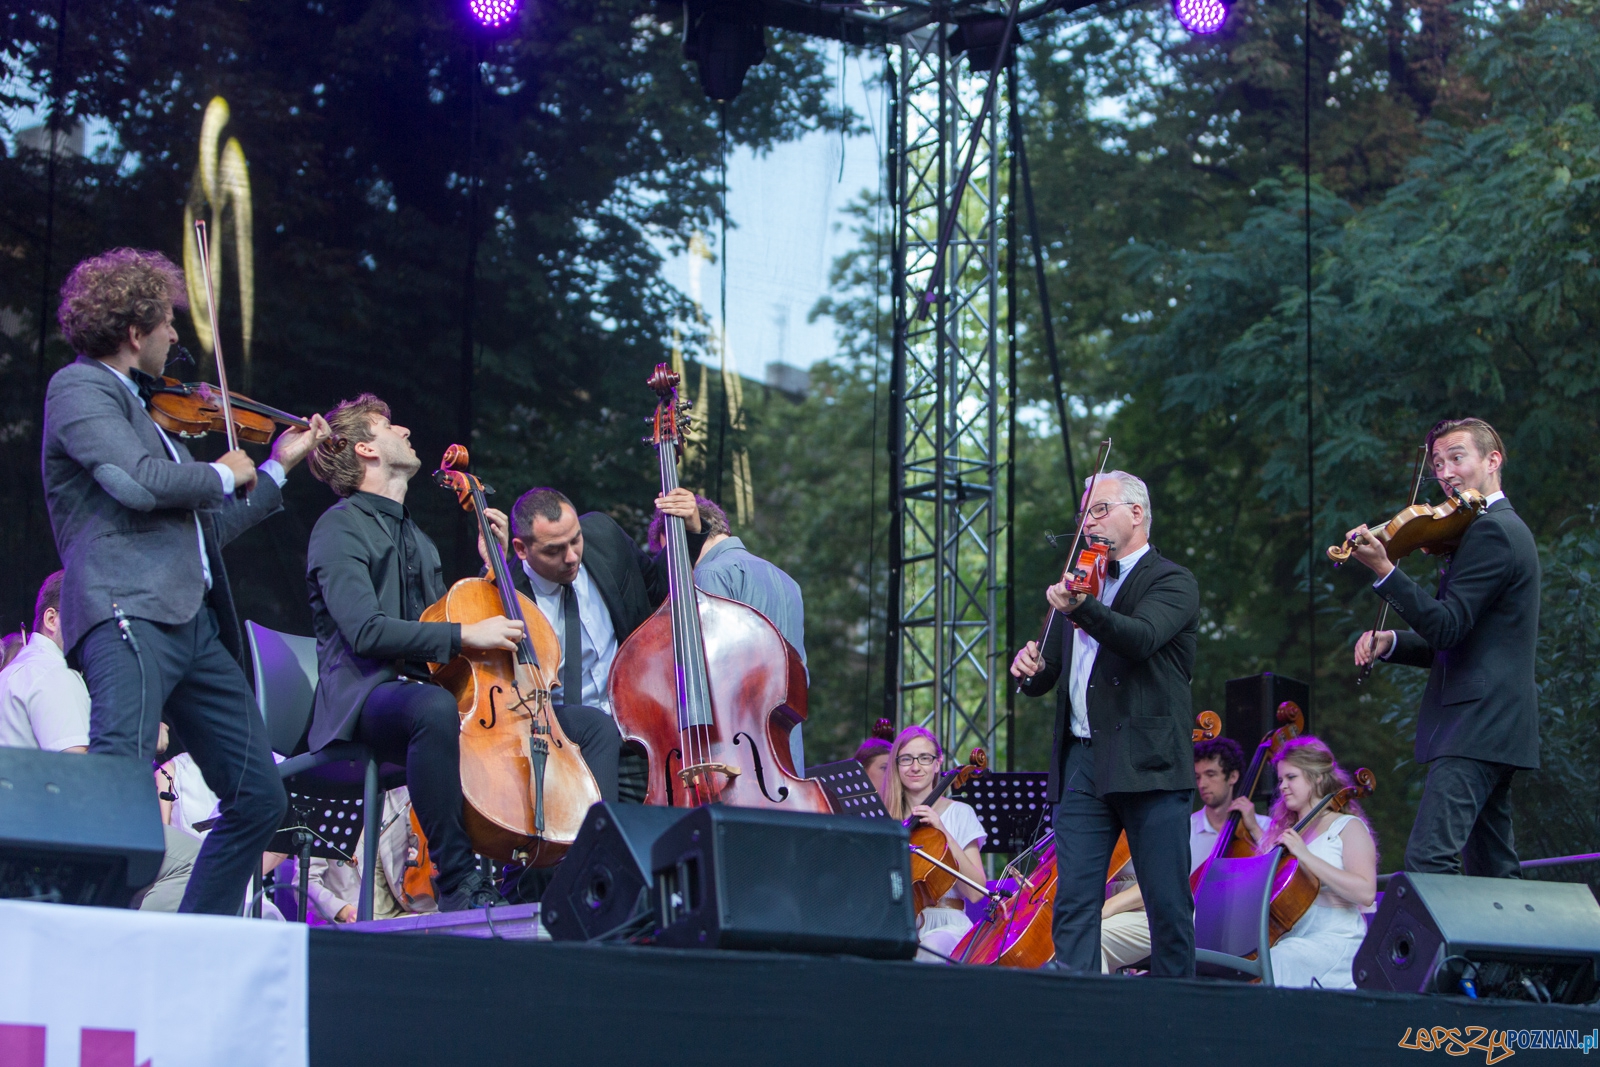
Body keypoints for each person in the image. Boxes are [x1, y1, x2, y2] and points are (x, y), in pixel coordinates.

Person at [42, 248, 329, 915]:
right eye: (167, 323)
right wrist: (226, 472)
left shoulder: (151, 416)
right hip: (127, 610)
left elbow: (203, 530)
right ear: (135, 332)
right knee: (122, 780)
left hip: (191, 624)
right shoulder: (79, 388)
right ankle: (92, 933)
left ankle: (192, 937)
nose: (177, 336)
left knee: (260, 795)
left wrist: (275, 469)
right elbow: (134, 482)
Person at [303, 393, 611, 911]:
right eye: (389, 427)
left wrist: (493, 571)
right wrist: (467, 637)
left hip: (433, 695)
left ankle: (588, 869)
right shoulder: (338, 527)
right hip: (365, 697)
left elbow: (445, 625)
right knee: (433, 708)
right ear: (364, 449)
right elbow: (367, 633)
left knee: (593, 728)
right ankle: (457, 878)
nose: (404, 432)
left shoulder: (417, 539)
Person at [1010, 470, 1200, 977]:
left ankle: (1175, 1019)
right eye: (1084, 515)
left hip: (1149, 762)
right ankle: (1077, 1017)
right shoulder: (1081, 579)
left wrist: (1083, 608)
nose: (1088, 523)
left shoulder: (1171, 580)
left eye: (1099, 511)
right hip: (1082, 762)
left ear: (1136, 514)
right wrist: (1029, 670)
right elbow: (1050, 669)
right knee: (1073, 900)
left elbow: (1139, 638)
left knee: (1166, 902)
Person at [1348, 418, 1539, 878]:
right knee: (1494, 866)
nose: (1445, 472)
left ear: (1492, 461)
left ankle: (1457, 955)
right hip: (1495, 721)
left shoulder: (1492, 532)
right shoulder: (1480, 531)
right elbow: (1456, 637)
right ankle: (1506, 953)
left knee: (1429, 860)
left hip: (1477, 722)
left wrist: (1385, 570)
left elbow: (1448, 627)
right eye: (1437, 463)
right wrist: (1391, 642)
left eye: (1457, 457)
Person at [649, 493, 809, 770]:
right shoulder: (788, 582)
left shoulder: (710, 574)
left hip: (738, 748)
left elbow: (713, 674)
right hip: (784, 743)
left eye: (674, 553)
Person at [1097, 737, 1271, 973]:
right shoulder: (1184, 826)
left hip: (1235, 928)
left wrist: (1255, 831)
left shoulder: (1262, 826)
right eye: (1198, 777)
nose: (1203, 783)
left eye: (1211, 774)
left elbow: (1278, 872)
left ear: (1232, 777)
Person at [1259, 737, 1378, 989]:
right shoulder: (1284, 833)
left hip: (1335, 941)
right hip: (1290, 939)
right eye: (1280, 780)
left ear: (1317, 777)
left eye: (1291, 777)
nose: (1283, 786)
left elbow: (1366, 892)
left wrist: (1305, 855)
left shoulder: (1348, 827)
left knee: (1276, 962)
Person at [879, 726, 987, 962]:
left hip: (947, 925)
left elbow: (977, 892)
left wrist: (943, 831)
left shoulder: (959, 813)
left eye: (925, 758)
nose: (915, 767)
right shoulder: (887, 820)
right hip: (898, 924)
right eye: (906, 759)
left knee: (928, 951)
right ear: (896, 765)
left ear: (938, 764)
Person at [0, 572, 90, 753]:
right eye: (86, 618)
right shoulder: (54, 674)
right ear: (51, 620)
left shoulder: (12, 673)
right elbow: (78, 771)